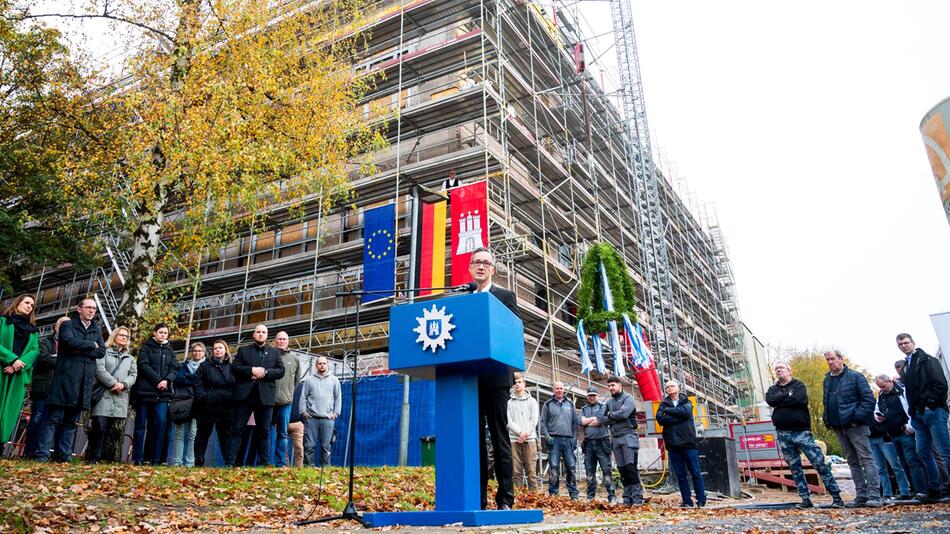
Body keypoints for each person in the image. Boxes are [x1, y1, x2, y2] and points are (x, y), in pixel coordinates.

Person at [466, 246, 517, 510]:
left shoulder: (505, 296)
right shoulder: (465, 297)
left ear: (493, 269)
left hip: (496, 378)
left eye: (486, 262)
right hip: (469, 380)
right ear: (470, 268)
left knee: (499, 438)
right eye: (476, 262)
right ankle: (478, 499)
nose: (481, 266)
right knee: (474, 440)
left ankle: (505, 498)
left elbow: (512, 332)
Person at [36, 297, 106, 462]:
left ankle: (64, 456)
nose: (91, 311)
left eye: (94, 309)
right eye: (88, 307)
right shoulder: (68, 325)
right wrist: (90, 345)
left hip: (83, 382)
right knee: (52, 419)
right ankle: (42, 455)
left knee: (71, 422)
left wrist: (82, 347)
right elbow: (68, 342)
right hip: (65, 380)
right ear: (79, 309)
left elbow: (101, 351)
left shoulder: (96, 329)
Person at [767, 361, 843, 507]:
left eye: (781, 368)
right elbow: (771, 400)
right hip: (783, 433)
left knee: (819, 463)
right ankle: (805, 499)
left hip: (801, 432)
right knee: (794, 468)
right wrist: (787, 398)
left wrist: (780, 401)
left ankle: (836, 496)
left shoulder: (798, 385)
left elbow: (800, 399)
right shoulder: (772, 389)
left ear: (789, 371)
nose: (778, 370)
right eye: (776, 369)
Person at [821, 350, 880, 507]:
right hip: (839, 427)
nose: (830, 362)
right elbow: (826, 401)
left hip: (856, 426)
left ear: (841, 359)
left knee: (866, 458)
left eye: (833, 359)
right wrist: (827, 419)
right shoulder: (827, 379)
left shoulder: (855, 376)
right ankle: (861, 495)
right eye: (828, 360)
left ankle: (874, 495)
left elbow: (868, 399)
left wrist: (857, 419)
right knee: (852, 462)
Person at [897, 333, 950, 503]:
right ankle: (935, 489)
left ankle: (946, 488)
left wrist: (931, 404)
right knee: (923, 452)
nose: (904, 346)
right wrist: (913, 412)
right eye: (900, 344)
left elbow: (941, 384)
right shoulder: (906, 366)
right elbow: (909, 391)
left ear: (913, 342)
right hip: (917, 415)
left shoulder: (927, 360)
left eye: (906, 343)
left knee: (944, 450)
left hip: (933, 411)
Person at [229, 324, 284, 467]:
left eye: (263, 332)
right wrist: (251, 370)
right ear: (253, 335)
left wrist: (265, 372)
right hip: (244, 396)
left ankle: (264, 464)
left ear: (267, 335)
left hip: (265, 397)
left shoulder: (275, 353)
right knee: (237, 430)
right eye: (258, 332)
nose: (260, 334)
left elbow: (280, 371)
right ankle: (231, 463)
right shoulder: (243, 350)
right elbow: (234, 368)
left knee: (264, 432)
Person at [87, 326, 137, 463]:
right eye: (121, 335)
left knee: (113, 431)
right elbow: (100, 369)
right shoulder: (104, 353)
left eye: (126, 336)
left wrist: (124, 385)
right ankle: (94, 458)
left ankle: (106, 459)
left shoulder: (130, 358)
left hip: (120, 397)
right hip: (104, 395)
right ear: (114, 336)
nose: (123, 338)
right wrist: (113, 383)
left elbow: (133, 375)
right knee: (99, 426)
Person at [131, 323, 178, 465]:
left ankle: (155, 458)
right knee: (140, 426)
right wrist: (158, 380)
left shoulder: (170, 350)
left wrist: (167, 380)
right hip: (145, 392)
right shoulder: (145, 348)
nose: (163, 335)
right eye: (161, 332)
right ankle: (137, 458)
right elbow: (143, 366)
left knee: (160, 424)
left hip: (162, 394)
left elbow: (174, 368)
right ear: (154, 333)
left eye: (165, 333)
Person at [655, 380, 706, 508]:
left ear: (678, 388)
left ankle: (701, 500)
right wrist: (678, 415)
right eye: (667, 387)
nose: (669, 388)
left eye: (672, 386)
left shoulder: (686, 402)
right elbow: (660, 418)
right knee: (681, 475)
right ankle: (687, 501)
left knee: (695, 472)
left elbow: (687, 413)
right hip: (673, 445)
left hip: (688, 444)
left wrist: (669, 412)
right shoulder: (663, 404)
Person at [874, 373, 927, 497]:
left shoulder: (901, 391)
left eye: (883, 386)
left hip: (905, 432)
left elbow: (910, 407)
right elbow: (876, 409)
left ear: (889, 382)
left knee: (912, 461)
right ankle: (912, 490)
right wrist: (877, 416)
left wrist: (911, 425)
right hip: (892, 433)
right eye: (880, 387)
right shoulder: (881, 395)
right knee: (903, 462)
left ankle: (921, 490)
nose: (882, 389)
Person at [24, 316, 69, 458]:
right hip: (44, 388)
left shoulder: (70, 345)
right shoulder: (44, 341)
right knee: (37, 419)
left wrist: (55, 358)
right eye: (62, 325)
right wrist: (61, 360)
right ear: (56, 326)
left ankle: (48, 454)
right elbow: (42, 358)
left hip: (61, 390)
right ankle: (30, 453)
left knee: (55, 422)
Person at [596, 376, 645, 506]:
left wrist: (610, 415)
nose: (611, 388)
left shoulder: (628, 398)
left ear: (620, 386)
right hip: (615, 439)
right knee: (622, 469)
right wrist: (614, 415)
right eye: (609, 386)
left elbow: (624, 414)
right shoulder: (609, 402)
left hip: (628, 437)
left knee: (631, 468)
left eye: (613, 385)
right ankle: (627, 498)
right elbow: (601, 418)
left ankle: (637, 498)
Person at [0, 295, 39, 445]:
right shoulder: (3, 322)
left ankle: (1, 443)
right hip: (2, 369)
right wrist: (12, 359)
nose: (29, 306)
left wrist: (20, 363)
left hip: (17, 373)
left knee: (10, 410)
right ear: (17, 304)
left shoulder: (32, 331)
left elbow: (34, 350)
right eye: (27, 303)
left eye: (32, 305)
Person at [193, 340, 235, 467]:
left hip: (226, 407)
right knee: (202, 434)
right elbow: (197, 383)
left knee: (226, 436)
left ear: (225, 349)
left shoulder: (232, 366)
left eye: (220, 348)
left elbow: (236, 384)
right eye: (215, 348)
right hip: (207, 406)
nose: (218, 350)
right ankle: (199, 460)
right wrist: (204, 397)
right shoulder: (205, 366)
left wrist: (231, 397)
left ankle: (228, 462)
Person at [540, 381, 580, 499]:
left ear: (564, 389)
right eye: (557, 388)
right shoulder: (548, 404)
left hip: (568, 440)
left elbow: (575, 424)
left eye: (561, 388)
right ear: (553, 390)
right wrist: (547, 437)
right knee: (554, 468)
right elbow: (542, 422)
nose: (559, 390)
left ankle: (573, 494)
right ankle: (553, 494)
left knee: (571, 467)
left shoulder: (570, 404)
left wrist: (574, 439)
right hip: (554, 440)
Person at [298, 356, 341, 466]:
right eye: (320, 363)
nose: (322, 365)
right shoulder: (309, 380)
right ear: (316, 365)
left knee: (326, 446)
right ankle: (308, 469)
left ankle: (325, 470)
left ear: (327, 365)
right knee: (309, 446)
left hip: (328, 419)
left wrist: (335, 413)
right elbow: (303, 397)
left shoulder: (334, 380)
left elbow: (338, 398)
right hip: (311, 419)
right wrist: (304, 412)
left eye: (324, 363)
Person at [868, 394, 911, 501]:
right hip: (871, 438)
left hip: (883, 437)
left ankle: (904, 490)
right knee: (880, 468)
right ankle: (887, 493)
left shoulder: (876, 403)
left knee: (895, 465)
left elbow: (885, 417)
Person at [579, 386, 617, 504]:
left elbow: (600, 421)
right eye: (590, 395)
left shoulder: (603, 406)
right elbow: (580, 422)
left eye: (593, 395)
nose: (592, 397)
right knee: (589, 471)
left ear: (597, 395)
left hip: (602, 441)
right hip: (589, 443)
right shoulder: (583, 409)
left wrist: (587, 422)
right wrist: (592, 420)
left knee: (606, 470)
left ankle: (612, 496)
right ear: (587, 396)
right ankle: (590, 497)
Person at [169, 342, 204, 466]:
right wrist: (196, 379)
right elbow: (179, 379)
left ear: (203, 353)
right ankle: (177, 462)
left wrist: (190, 379)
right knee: (179, 433)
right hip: (182, 402)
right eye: (195, 350)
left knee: (193, 433)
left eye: (199, 351)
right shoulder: (183, 366)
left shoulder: (206, 366)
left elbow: (203, 380)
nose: (197, 353)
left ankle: (190, 462)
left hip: (198, 403)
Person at [272, 331, 303, 467]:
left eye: (284, 339)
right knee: (264, 433)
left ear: (288, 341)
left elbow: (297, 380)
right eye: (279, 339)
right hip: (267, 402)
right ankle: (265, 461)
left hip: (285, 402)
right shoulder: (269, 355)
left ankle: (280, 464)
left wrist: (288, 393)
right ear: (275, 341)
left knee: (282, 434)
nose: (282, 341)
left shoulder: (294, 359)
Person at [507, 372, 539, 491]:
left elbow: (533, 421)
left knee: (531, 471)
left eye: (520, 382)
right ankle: (519, 498)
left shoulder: (533, 401)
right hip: (514, 440)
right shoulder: (509, 402)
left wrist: (524, 434)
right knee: (516, 471)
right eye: (515, 383)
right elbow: (509, 421)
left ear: (524, 384)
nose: (517, 384)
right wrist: (520, 433)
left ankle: (535, 498)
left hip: (529, 440)